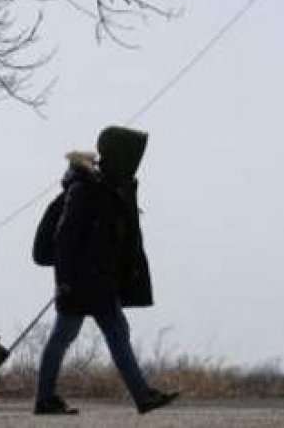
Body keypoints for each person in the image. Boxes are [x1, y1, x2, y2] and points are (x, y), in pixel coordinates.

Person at [34, 126, 179, 416]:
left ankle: (48, 399)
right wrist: (65, 281)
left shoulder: (107, 188)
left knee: (99, 335)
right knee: (84, 336)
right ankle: (140, 395)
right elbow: (65, 240)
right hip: (82, 283)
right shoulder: (85, 190)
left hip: (98, 282)